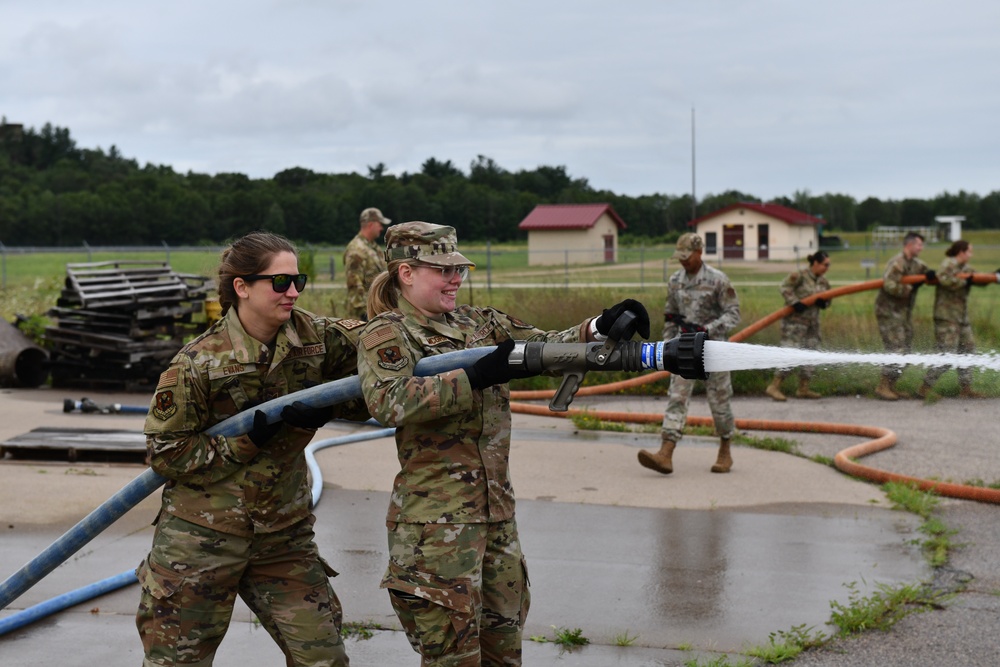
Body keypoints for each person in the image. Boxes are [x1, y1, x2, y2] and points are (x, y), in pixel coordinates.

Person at [355, 221, 649, 666]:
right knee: (454, 659)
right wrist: (472, 377)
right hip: (436, 531)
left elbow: (547, 347)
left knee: (505, 655)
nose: (456, 279)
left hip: (498, 520)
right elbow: (388, 401)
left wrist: (598, 325)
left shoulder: (482, 322)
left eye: (459, 270)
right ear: (406, 273)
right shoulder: (387, 335)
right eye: (443, 270)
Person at [137, 231, 370, 667]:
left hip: (282, 536)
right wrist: (246, 441)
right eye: (279, 282)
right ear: (242, 287)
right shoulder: (197, 363)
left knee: (324, 659)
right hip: (201, 539)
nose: (294, 291)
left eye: (298, 279)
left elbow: (382, 363)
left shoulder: (317, 338)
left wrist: (331, 404)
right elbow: (167, 454)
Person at [637, 232, 741, 475]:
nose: (683, 261)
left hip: (714, 351)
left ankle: (725, 450)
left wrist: (706, 330)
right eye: (680, 257)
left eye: (687, 256)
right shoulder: (675, 281)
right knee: (677, 398)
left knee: (720, 402)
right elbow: (671, 317)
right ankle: (665, 453)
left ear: (699, 252)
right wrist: (665, 348)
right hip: (683, 351)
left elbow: (733, 314)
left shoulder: (718, 280)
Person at [916, 240, 988, 399]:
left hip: (961, 317)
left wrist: (992, 276)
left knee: (968, 351)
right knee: (947, 355)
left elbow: (977, 279)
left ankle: (966, 389)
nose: (971, 254)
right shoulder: (948, 264)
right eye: (970, 251)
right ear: (961, 252)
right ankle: (925, 388)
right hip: (947, 317)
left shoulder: (966, 268)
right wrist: (964, 281)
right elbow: (944, 279)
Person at [874, 231, 935, 400]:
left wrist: (930, 275)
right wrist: (909, 289)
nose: (921, 248)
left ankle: (891, 386)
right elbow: (889, 285)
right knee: (896, 349)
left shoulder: (916, 264)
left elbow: (927, 273)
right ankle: (882, 386)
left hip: (903, 313)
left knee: (906, 350)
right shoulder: (897, 262)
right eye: (918, 244)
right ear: (909, 245)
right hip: (888, 311)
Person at [765, 251, 832, 401]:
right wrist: (795, 302)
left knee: (811, 352)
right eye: (825, 264)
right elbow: (784, 287)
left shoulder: (823, 282)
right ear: (815, 263)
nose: (827, 268)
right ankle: (774, 386)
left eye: (829, 265)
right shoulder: (799, 276)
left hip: (812, 325)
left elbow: (829, 298)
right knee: (790, 353)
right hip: (794, 324)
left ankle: (803, 388)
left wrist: (824, 303)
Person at [343, 206, 390, 319]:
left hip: (377, 310)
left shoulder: (373, 247)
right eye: (380, 224)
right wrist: (366, 316)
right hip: (365, 315)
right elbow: (354, 285)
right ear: (370, 224)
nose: (381, 228)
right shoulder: (357, 250)